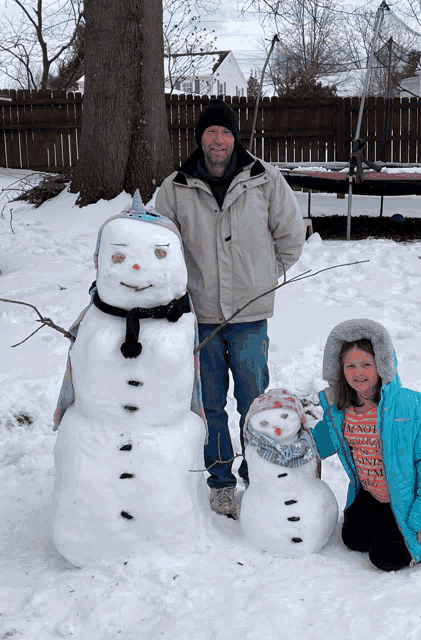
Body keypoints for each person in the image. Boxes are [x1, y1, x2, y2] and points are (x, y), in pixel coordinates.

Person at [154, 99, 305, 519]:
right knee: (211, 405)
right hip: (200, 317)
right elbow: (157, 246)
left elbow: (291, 234)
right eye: (210, 132)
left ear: (234, 136)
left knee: (254, 400)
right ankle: (221, 481)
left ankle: (257, 474)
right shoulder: (176, 186)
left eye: (225, 132)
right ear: (200, 137)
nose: (218, 140)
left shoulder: (263, 179)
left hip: (250, 315)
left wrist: (264, 274)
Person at [312, 318, 421, 571]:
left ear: (383, 365)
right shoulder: (341, 411)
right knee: (353, 540)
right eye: (350, 365)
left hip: (413, 498)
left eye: (367, 364)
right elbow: (316, 447)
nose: (358, 372)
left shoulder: (418, 407)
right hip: (376, 494)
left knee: (385, 559)